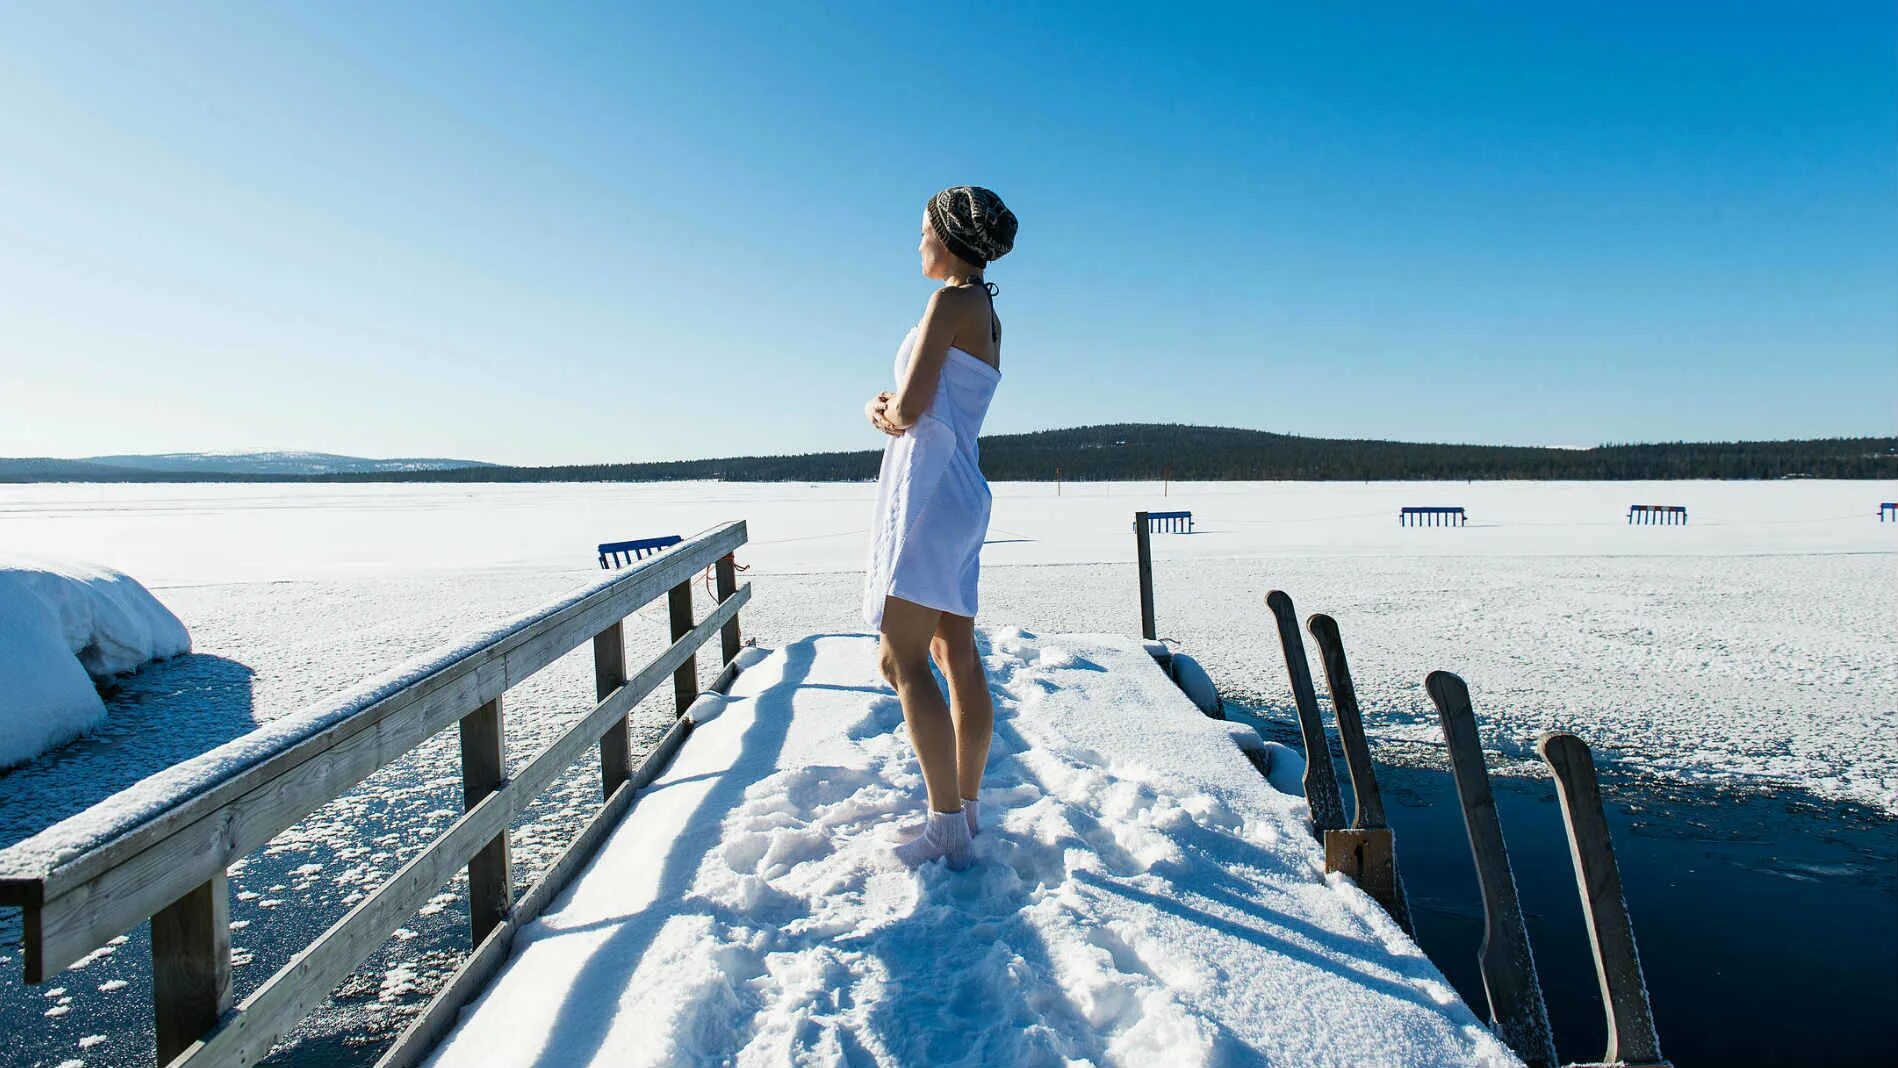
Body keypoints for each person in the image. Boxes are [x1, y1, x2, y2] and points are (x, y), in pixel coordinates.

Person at [862, 185, 1018, 870]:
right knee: (956, 649)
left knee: (901, 655)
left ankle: (947, 825)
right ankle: (967, 811)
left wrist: (879, 410)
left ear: (949, 237)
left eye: (924, 229)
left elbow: (914, 405)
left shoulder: (950, 301)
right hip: (962, 486)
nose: (918, 242)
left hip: (932, 489)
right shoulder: (987, 311)